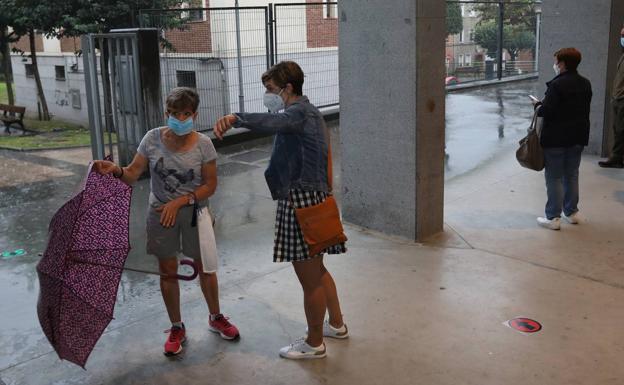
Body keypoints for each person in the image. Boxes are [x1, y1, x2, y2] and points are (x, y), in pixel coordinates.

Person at [214, 61, 348, 360]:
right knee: (318, 269)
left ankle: (314, 343)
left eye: (270, 90)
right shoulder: (309, 113)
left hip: (301, 202)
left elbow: (270, 122)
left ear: (287, 88)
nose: (268, 95)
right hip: (313, 198)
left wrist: (237, 117)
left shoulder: (298, 112)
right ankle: (336, 325)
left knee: (309, 278)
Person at [93, 87, 239, 356]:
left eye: (184, 114)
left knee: (205, 268)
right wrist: (115, 170)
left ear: (194, 115)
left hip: (196, 213)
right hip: (160, 214)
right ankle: (176, 326)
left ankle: (215, 316)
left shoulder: (204, 144)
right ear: (166, 113)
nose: (178, 118)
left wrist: (180, 201)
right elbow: (131, 175)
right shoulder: (152, 139)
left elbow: (210, 186)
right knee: (168, 270)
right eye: (173, 113)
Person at [533, 48, 592, 230]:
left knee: (555, 177)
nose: (555, 65)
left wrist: (537, 105)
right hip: (578, 136)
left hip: (556, 138)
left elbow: (547, 111)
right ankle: (572, 212)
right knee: (572, 175)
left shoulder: (557, 85)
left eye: (557, 61)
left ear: (563, 63)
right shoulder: (585, 83)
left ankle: (553, 218)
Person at [598, 26, 624, 168]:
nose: (622, 38)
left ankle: (616, 157)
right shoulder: (622, 55)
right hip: (617, 98)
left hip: (622, 99)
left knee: (620, 130)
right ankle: (617, 158)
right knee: (617, 129)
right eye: (621, 35)